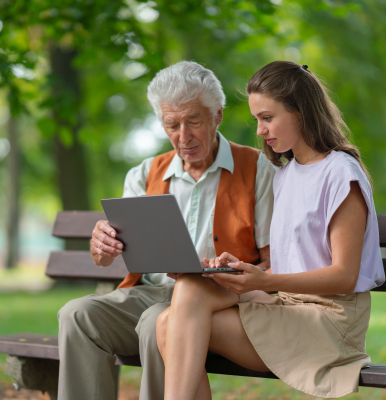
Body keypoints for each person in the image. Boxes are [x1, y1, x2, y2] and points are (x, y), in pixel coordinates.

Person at [155, 61, 386, 400]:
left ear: (301, 113)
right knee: (187, 291)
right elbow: (290, 263)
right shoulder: (286, 174)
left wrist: (266, 281)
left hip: (329, 324)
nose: (260, 131)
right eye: (257, 120)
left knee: (172, 327)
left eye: (267, 117)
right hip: (288, 306)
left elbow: (344, 276)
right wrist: (241, 272)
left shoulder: (340, 173)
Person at [56, 61, 276, 400]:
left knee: (155, 322)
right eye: (171, 124)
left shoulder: (257, 169)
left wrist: (232, 277)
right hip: (149, 291)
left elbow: (271, 263)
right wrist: (101, 247)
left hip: (216, 301)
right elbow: (106, 260)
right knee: (77, 315)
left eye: (194, 122)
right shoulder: (144, 173)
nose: (183, 137)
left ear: (217, 115)